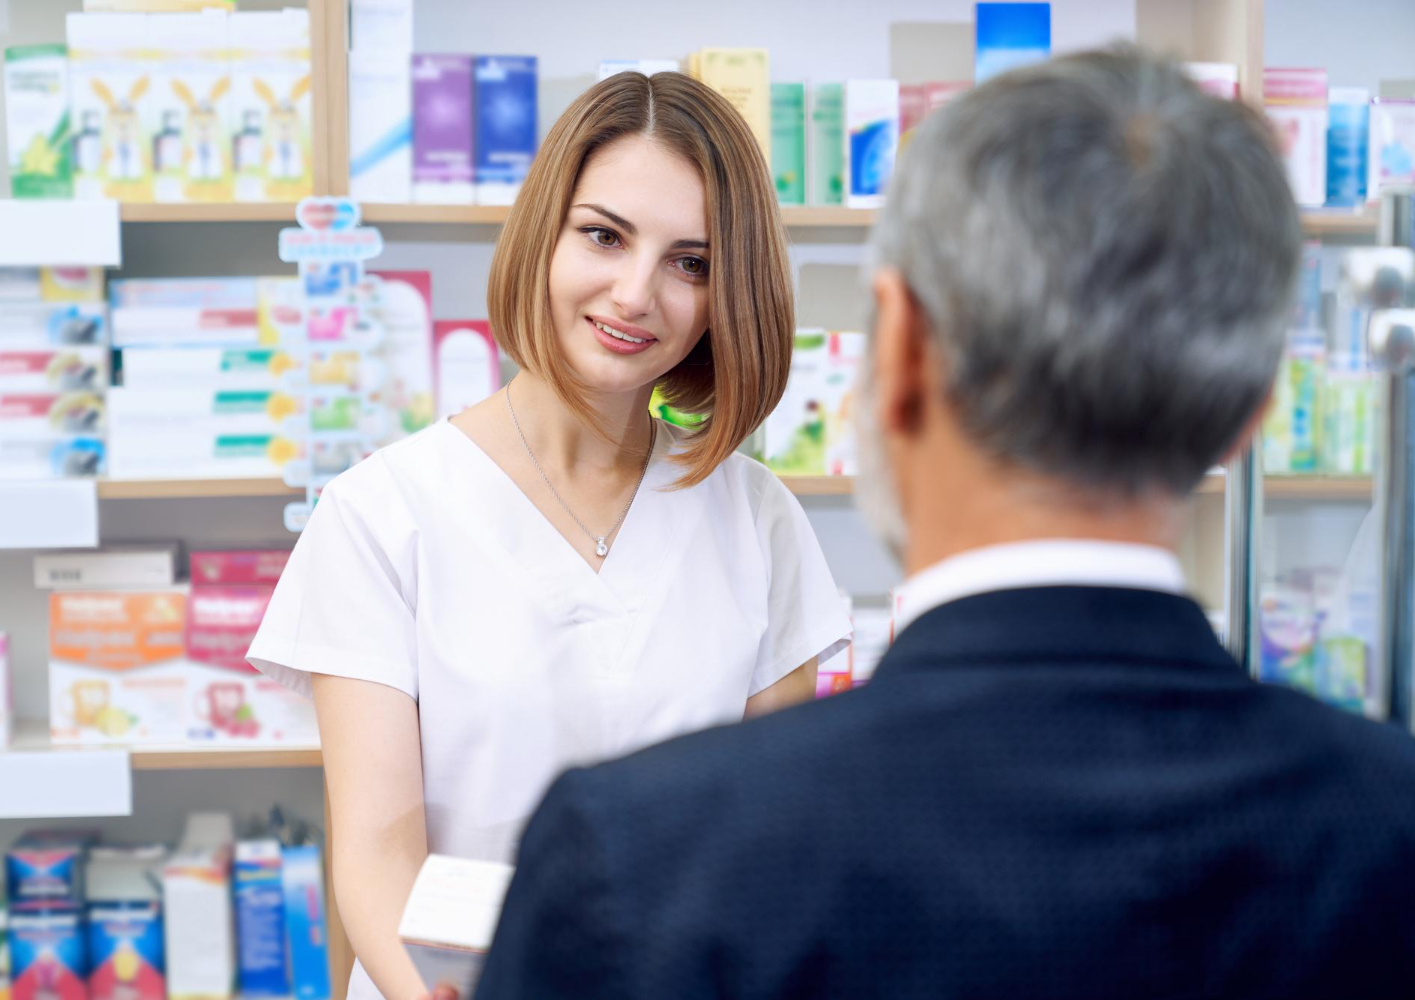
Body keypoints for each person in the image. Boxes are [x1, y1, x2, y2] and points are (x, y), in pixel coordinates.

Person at [466, 47, 1415, 1000]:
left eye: (689, 264)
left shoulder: (641, 858)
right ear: (1251, 409)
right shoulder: (1387, 826)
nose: (638, 292)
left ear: (901, 348)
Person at [245, 70, 851, 999]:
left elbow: (773, 850)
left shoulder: (757, 519)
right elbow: (376, 856)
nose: (635, 292)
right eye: (603, 236)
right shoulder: (383, 513)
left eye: (691, 263)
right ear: (543, 234)